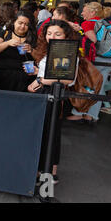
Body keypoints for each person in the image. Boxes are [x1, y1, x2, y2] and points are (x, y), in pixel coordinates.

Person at [28, 19, 81, 184]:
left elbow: (67, 80)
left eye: (57, 33)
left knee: (52, 132)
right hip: (45, 93)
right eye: (49, 33)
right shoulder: (50, 49)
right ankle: (42, 171)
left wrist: (40, 81)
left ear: (66, 35)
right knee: (44, 132)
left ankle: (50, 173)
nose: (52, 36)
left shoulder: (67, 51)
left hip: (54, 94)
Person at [67, 2, 111, 122]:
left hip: (96, 59)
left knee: (84, 84)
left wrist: (79, 32)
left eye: (84, 11)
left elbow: (92, 39)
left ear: (92, 12)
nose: (81, 13)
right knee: (99, 86)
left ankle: (78, 113)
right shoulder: (107, 22)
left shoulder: (88, 23)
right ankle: (92, 115)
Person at [0, 10, 37, 92]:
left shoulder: (32, 38)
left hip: (24, 79)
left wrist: (31, 50)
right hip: (2, 77)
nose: (22, 26)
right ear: (14, 22)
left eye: (26, 24)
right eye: (20, 23)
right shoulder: (4, 34)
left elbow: (40, 57)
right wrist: (7, 43)